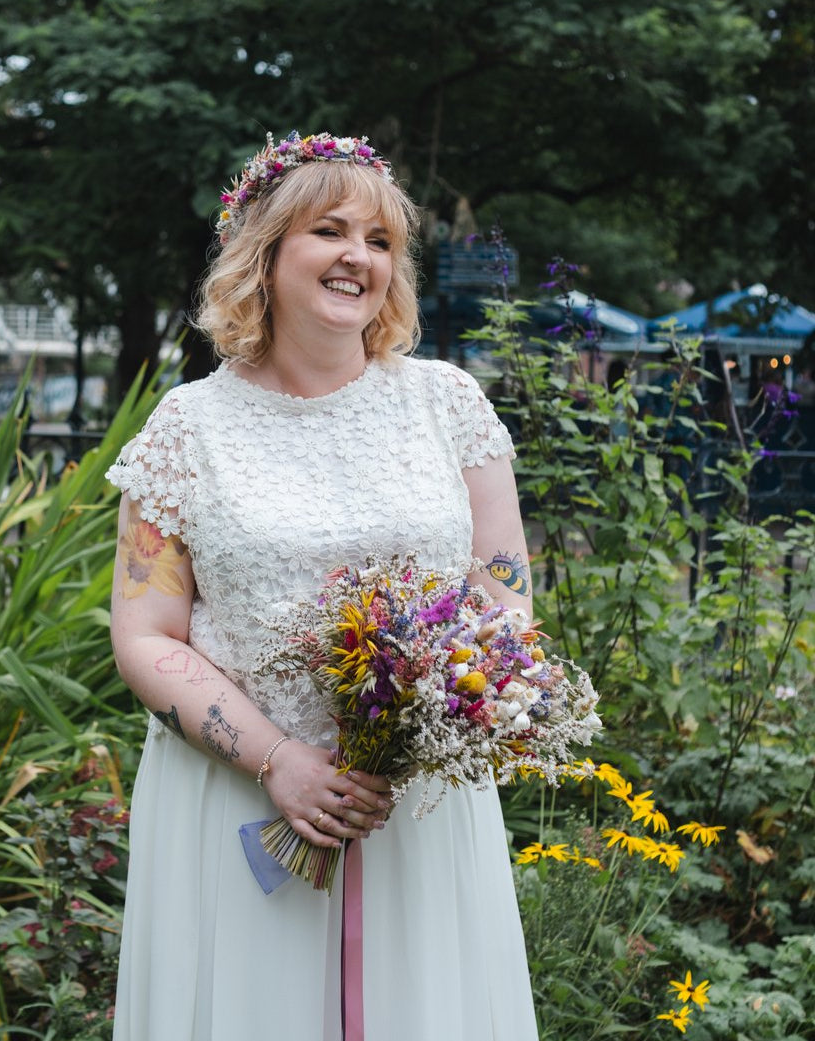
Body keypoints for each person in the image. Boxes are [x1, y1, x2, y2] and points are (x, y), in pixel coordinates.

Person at [105, 130, 540, 1041]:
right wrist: (278, 759)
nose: (358, 257)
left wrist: (437, 712)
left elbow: (504, 600)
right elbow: (145, 633)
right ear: (265, 253)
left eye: (379, 241)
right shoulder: (189, 428)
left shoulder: (448, 404)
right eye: (331, 231)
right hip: (240, 795)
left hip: (415, 805)